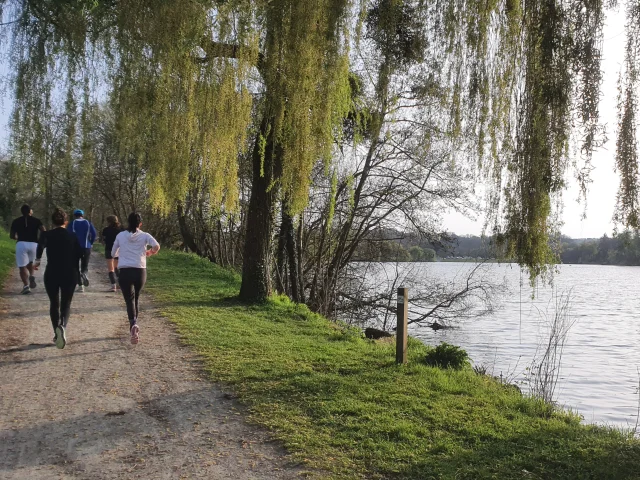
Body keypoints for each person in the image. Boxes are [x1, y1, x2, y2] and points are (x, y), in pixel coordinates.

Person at [34, 208, 82, 349]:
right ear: (66, 222)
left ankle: (56, 332)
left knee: (54, 303)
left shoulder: (46, 234)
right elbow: (80, 254)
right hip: (70, 273)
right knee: (66, 303)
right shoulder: (72, 236)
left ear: (52, 221)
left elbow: (40, 247)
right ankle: (63, 326)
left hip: (52, 272)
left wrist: (37, 261)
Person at [111, 212, 160, 344]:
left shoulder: (120, 235)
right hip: (140, 271)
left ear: (128, 222)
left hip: (125, 271)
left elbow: (112, 253)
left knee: (129, 300)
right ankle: (134, 325)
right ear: (140, 224)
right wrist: (150, 252)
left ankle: (133, 324)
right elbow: (156, 246)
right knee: (136, 297)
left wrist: (121, 253)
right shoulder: (145, 235)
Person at [10, 204, 45, 294]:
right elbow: (44, 231)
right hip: (34, 244)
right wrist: (41, 240)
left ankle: (26, 286)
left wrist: (18, 238)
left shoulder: (16, 221)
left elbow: (12, 236)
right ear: (30, 211)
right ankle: (32, 275)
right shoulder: (37, 220)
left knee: (22, 266)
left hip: (21, 244)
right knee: (30, 263)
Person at [69, 209, 97, 293]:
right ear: (82, 215)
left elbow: (68, 234)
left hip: (75, 248)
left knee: (75, 267)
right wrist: (91, 242)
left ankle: (80, 286)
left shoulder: (72, 223)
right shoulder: (88, 223)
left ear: (74, 215)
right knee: (84, 265)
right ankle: (84, 273)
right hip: (86, 247)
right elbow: (94, 233)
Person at [101, 215, 124, 292]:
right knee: (117, 267)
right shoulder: (121, 229)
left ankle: (113, 285)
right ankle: (121, 284)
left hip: (109, 250)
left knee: (111, 268)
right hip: (119, 250)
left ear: (108, 221)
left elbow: (103, 240)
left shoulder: (106, 230)